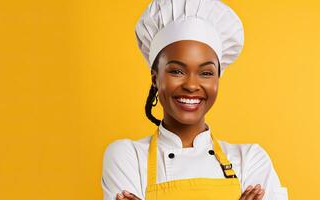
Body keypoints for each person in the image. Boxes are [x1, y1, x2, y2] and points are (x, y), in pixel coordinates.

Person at [101, 0, 288, 199]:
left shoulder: (250, 158)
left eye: (206, 73)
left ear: (217, 79)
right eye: (177, 71)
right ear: (155, 78)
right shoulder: (127, 156)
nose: (191, 85)